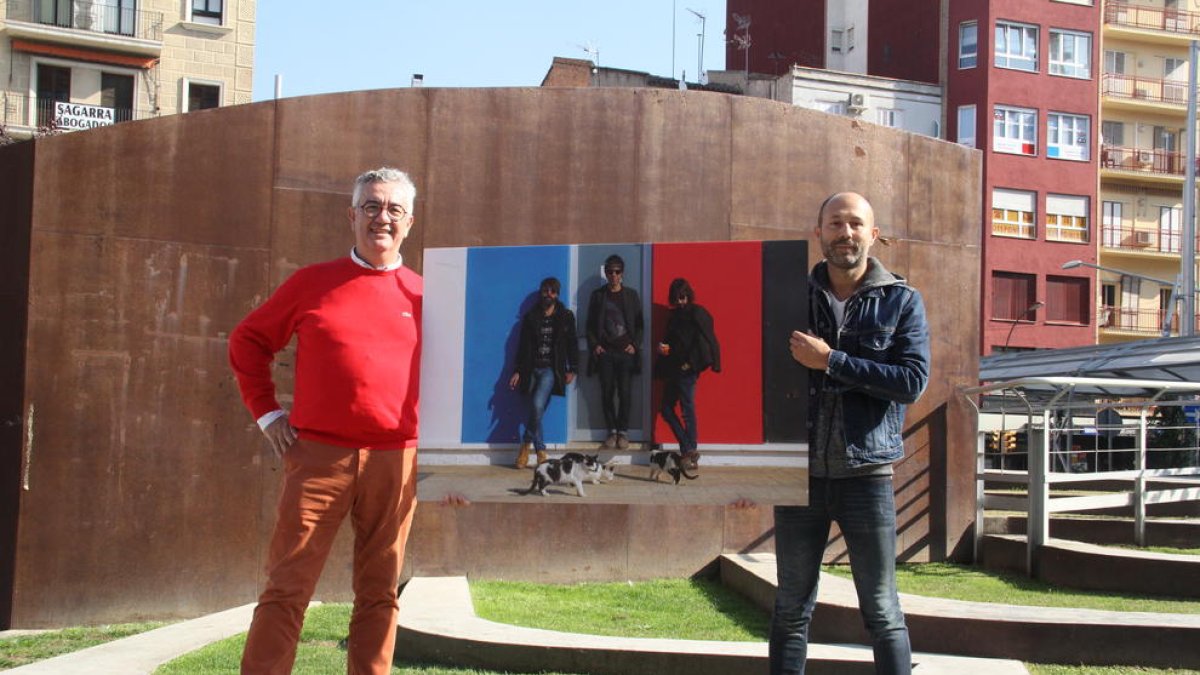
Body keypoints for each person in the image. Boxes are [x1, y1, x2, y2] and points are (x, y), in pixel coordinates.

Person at [229, 167, 423, 675]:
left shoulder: (427, 297)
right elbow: (247, 341)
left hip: (397, 460)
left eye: (394, 209)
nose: (382, 218)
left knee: (380, 592)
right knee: (286, 588)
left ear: (410, 221)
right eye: (372, 207)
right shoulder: (312, 283)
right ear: (352, 216)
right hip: (317, 459)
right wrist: (268, 413)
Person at [770, 192, 930, 675]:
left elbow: (912, 383)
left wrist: (832, 361)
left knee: (882, 611)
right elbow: (763, 380)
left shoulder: (901, 300)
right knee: (791, 608)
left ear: (873, 233)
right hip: (799, 477)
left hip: (867, 475)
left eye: (855, 224)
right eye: (835, 224)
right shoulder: (789, 297)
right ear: (819, 233)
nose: (846, 233)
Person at [508, 276, 579, 468]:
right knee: (534, 409)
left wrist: (573, 368)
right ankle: (540, 450)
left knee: (538, 406)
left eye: (553, 291)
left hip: (550, 369)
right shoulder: (531, 317)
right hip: (531, 368)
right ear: (541, 292)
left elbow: (572, 343)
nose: (549, 294)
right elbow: (522, 347)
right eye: (546, 290)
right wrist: (517, 371)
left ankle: (525, 444)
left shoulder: (565, 316)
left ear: (557, 294)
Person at [656, 277, 721, 468]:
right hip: (672, 369)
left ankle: (689, 450)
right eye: (676, 298)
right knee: (667, 409)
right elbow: (673, 343)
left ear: (688, 296)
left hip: (687, 370)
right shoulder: (674, 316)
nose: (680, 302)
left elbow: (706, 340)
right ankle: (689, 448)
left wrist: (693, 365)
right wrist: (663, 349)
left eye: (683, 297)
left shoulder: (697, 313)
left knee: (687, 409)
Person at [585, 254, 644, 450]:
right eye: (609, 271)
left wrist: (635, 344)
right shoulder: (598, 296)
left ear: (622, 274)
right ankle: (611, 431)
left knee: (625, 393)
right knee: (607, 393)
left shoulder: (631, 295)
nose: (613, 275)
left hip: (626, 354)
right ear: (606, 273)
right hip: (606, 354)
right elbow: (590, 326)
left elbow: (639, 324)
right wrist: (595, 346)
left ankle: (623, 432)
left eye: (617, 271)